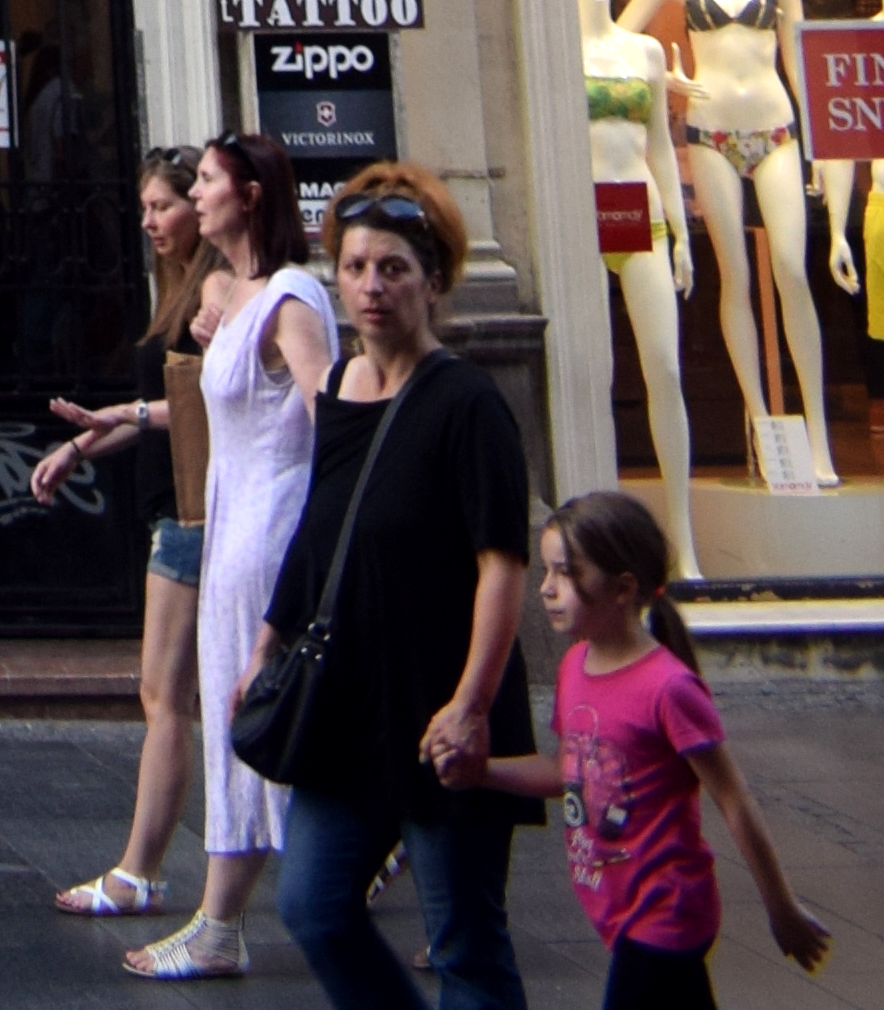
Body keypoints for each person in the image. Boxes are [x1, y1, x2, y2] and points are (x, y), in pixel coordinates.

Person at [248, 168, 534, 1010]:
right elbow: (319, 530)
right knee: (312, 905)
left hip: (438, 702)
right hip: (345, 703)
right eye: (357, 266)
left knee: (465, 945)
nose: (372, 286)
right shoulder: (337, 389)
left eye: (395, 268)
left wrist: (472, 704)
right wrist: (268, 641)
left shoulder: (469, 403)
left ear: (434, 282)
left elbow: (502, 566)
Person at [454, 488, 827, 1010]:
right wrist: (482, 773)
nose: (546, 589)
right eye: (546, 571)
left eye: (565, 574)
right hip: (617, 904)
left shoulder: (668, 688)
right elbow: (570, 772)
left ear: (623, 588)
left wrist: (780, 907)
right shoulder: (574, 667)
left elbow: (734, 799)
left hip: (664, 911)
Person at [126, 131, 336, 979]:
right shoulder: (240, 297)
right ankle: (221, 923)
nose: (195, 194)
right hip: (230, 528)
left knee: (255, 719)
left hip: (268, 534)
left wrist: (321, 554)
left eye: (207, 181)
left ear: (248, 195)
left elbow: (331, 429)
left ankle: (224, 922)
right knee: (232, 719)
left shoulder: (290, 299)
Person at [34, 143, 224, 917]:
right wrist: (81, 445)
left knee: (166, 693)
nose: (149, 221)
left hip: (193, 513)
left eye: (164, 206)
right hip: (172, 504)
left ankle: (140, 869)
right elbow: (160, 415)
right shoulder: (177, 289)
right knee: (203, 694)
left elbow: (209, 400)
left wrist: (106, 425)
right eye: (144, 208)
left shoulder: (213, 289)